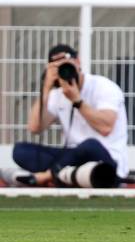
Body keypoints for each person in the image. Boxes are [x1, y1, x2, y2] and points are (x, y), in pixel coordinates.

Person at [1, 44, 128, 186]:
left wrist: (77, 101)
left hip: (104, 160)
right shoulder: (58, 95)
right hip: (71, 159)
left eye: (67, 65)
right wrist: (46, 88)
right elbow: (34, 127)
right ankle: (61, 175)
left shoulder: (104, 86)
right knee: (21, 151)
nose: (65, 70)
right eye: (58, 67)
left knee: (89, 145)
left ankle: (46, 176)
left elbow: (105, 127)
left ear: (78, 62)